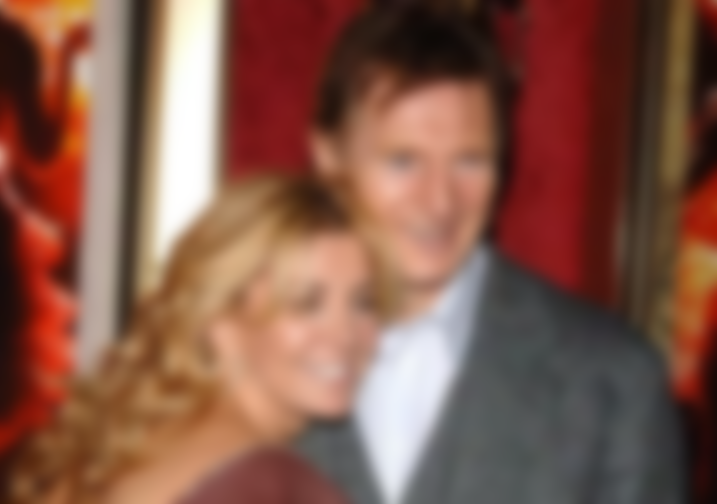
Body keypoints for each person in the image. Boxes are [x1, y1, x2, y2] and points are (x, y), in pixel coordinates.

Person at [299, 5, 686, 504]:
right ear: (328, 158)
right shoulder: (248, 355)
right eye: (403, 161)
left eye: (469, 162)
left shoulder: (611, 382)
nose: (439, 202)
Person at [8, 175, 392, 504]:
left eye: (364, 303)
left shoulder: (128, 447)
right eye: (306, 304)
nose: (345, 334)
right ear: (221, 322)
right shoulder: (275, 485)